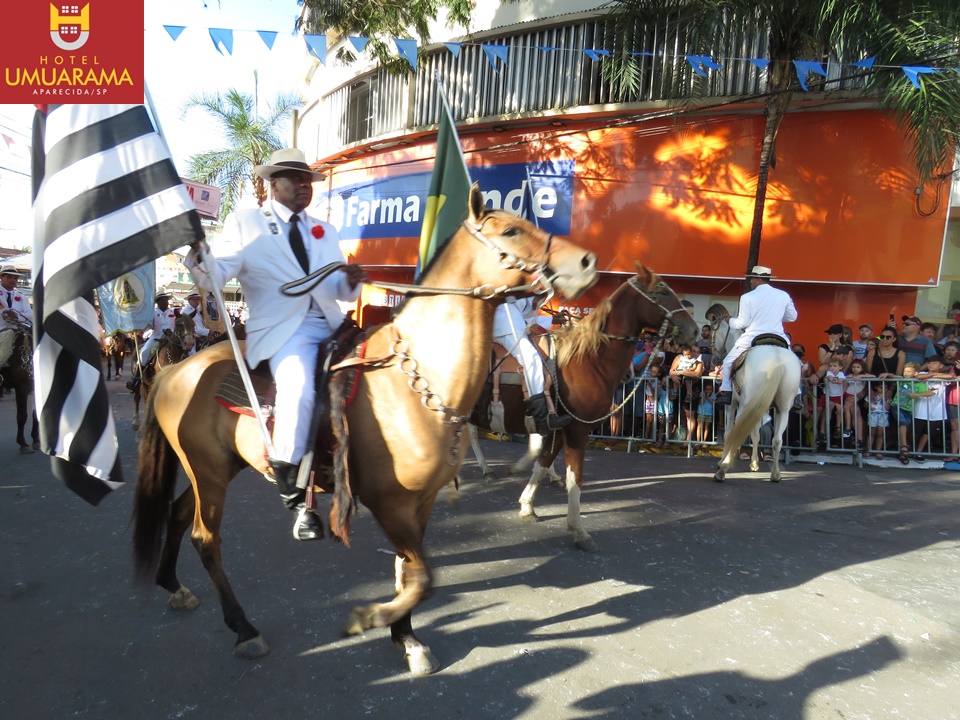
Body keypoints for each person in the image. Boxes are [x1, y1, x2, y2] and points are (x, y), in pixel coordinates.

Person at [186, 148, 367, 542]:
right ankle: (292, 490)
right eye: (294, 180)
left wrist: (351, 280)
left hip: (333, 325)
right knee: (299, 387)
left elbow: (339, 290)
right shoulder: (246, 222)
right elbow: (215, 275)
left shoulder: (324, 230)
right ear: (273, 184)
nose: (304, 186)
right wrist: (200, 254)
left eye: (307, 181)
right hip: (285, 330)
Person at [715, 265, 797, 406]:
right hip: (778, 337)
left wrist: (730, 321)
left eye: (752, 278)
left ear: (758, 279)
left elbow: (742, 323)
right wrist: (775, 316)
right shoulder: (783, 295)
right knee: (794, 363)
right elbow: (792, 317)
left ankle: (726, 392)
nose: (751, 282)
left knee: (728, 362)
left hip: (753, 337)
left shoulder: (747, 297)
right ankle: (797, 395)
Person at [493, 296, 571, 434]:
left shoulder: (526, 302)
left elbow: (526, 317)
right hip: (504, 324)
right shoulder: (521, 296)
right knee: (531, 359)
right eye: (541, 299)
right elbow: (517, 314)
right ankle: (541, 418)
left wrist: (551, 320)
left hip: (512, 323)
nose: (540, 303)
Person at [127, 291, 177, 391]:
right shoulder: (152, 313)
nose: (165, 302)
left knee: (188, 352)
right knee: (144, 353)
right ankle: (136, 378)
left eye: (166, 300)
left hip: (172, 338)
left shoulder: (173, 313)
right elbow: (147, 326)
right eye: (162, 300)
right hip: (156, 337)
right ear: (158, 302)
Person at [892, 362, 928, 464]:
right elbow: (893, 376)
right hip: (897, 406)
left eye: (909, 371)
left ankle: (903, 450)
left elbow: (930, 392)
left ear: (915, 373)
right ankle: (904, 446)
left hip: (909, 408)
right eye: (905, 371)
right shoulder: (902, 379)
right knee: (903, 424)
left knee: (906, 427)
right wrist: (887, 374)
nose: (906, 373)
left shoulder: (919, 384)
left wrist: (917, 395)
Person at [0, 265, 32, 334]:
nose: (13, 280)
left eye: (15, 278)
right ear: (1, 277)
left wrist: (16, 316)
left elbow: (31, 315)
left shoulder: (22, 297)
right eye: (9, 277)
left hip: (16, 332)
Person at [867, 382, 890, 459]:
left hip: (883, 415)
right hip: (873, 415)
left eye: (885, 388)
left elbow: (888, 407)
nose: (883, 389)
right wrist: (869, 406)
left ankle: (878, 451)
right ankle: (869, 450)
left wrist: (884, 399)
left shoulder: (887, 396)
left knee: (880, 434)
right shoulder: (871, 395)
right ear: (876, 387)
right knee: (871, 433)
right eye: (881, 387)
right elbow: (865, 404)